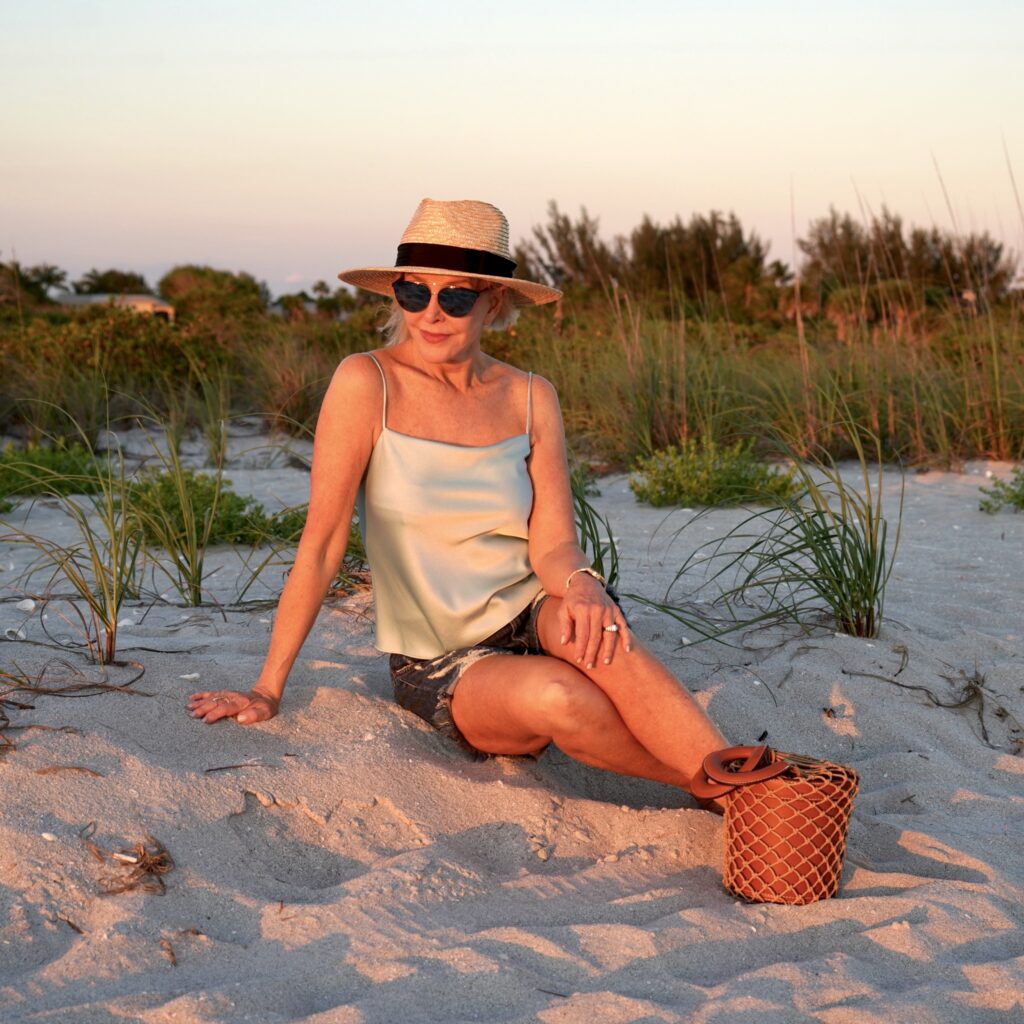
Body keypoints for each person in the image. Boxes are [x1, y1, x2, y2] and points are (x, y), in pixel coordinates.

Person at [188, 198, 726, 797]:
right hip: (440, 654)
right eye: (415, 294)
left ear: (493, 302)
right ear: (396, 296)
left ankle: (753, 785)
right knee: (561, 696)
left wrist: (583, 584)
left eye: (456, 297)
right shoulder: (367, 382)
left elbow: (552, 541)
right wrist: (268, 687)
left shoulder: (530, 395)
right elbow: (321, 544)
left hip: (531, 608)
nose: (432, 315)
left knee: (599, 636)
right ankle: (728, 788)